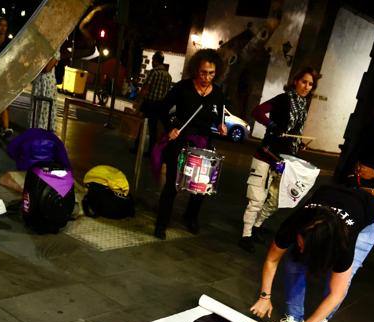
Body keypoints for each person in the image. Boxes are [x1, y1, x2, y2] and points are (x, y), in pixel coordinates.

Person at [249, 183, 374, 322]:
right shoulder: (294, 224)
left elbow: (337, 293)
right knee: (293, 261)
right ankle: (294, 318)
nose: (301, 248)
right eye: (300, 243)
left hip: (366, 213)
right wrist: (264, 297)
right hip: (332, 194)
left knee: (342, 277)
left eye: (306, 247)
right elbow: (272, 260)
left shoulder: (343, 244)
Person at [239, 67, 319, 253]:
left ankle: (257, 226)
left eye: (310, 84)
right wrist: (272, 125)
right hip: (266, 154)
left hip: (285, 160)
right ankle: (246, 234)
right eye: (304, 82)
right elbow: (258, 111)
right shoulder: (284, 99)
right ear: (295, 81)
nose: (306, 87)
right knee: (257, 198)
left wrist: (298, 144)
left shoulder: (302, 105)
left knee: (276, 199)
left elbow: (295, 132)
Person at [153, 49, 227, 239]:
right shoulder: (183, 87)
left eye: (211, 73)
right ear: (195, 69)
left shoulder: (218, 93)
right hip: (181, 140)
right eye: (203, 72)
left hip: (203, 143)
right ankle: (161, 223)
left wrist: (221, 125)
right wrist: (170, 127)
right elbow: (162, 109)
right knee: (172, 184)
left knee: (201, 184)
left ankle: (191, 217)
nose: (207, 77)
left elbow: (219, 116)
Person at [133, 52, 174, 154]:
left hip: (150, 104)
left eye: (152, 60)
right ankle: (151, 150)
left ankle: (137, 147)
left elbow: (146, 88)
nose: (151, 62)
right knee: (154, 129)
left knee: (143, 126)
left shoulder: (154, 72)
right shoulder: (168, 76)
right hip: (160, 106)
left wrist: (138, 100)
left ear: (156, 60)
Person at [31, 53, 60, 132]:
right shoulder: (41, 50)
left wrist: (37, 62)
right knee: (36, 108)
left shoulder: (55, 52)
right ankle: (35, 131)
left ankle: (44, 132)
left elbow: (47, 68)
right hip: (38, 83)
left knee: (45, 108)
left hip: (47, 84)